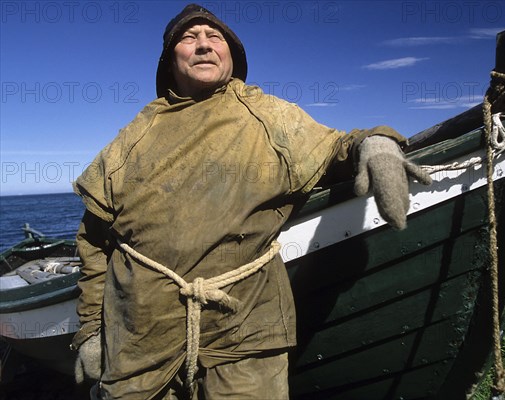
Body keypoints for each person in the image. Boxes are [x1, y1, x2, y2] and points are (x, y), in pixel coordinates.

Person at [71, 3, 431, 399]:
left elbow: (336, 148)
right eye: (189, 38)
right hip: (140, 344)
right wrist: (90, 330)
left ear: (231, 57)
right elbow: (95, 240)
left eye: (215, 38)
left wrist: (377, 144)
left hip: (244, 335)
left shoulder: (267, 116)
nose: (203, 46)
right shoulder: (132, 139)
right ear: (169, 61)